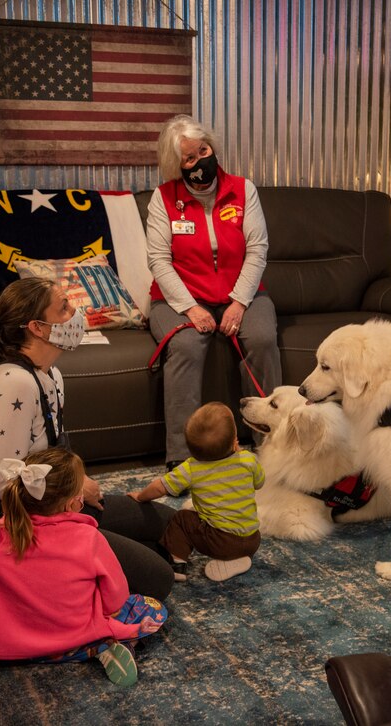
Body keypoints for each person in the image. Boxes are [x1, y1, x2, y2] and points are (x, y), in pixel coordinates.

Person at [0, 277, 174, 600]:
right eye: (64, 308)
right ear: (37, 327)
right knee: (158, 578)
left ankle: (74, 568)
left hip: (55, 506)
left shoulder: (51, 375)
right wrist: (73, 487)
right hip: (17, 524)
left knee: (167, 526)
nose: (76, 313)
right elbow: (1, 485)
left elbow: (54, 448)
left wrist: (77, 485)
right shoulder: (12, 383)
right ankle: (29, 579)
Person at [0, 448, 167, 686]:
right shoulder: (90, 538)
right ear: (72, 503)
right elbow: (115, 596)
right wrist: (109, 613)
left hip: (14, 644)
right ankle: (106, 647)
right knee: (150, 609)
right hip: (77, 639)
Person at [145, 114, 282, 471]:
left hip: (241, 292)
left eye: (203, 150)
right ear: (177, 165)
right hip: (178, 297)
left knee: (264, 338)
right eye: (189, 158)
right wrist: (191, 309)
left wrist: (239, 303)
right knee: (187, 345)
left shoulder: (242, 189)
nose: (199, 161)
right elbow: (159, 261)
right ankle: (181, 455)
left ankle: (272, 443)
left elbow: (258, 248)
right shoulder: (163, 199)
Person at [128, 402, 263, 582]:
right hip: (253, 538)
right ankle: (238, 558)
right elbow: (259, 483)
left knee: (182, 519)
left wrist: (140, 496)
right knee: (202, 518)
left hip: (220, 542)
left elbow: (159, 487)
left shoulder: (192, 468)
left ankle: (177, 564)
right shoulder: (248, 459)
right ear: (234, 441)